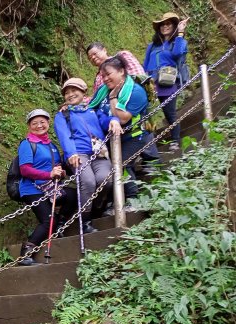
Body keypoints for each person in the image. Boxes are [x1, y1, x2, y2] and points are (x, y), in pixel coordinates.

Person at [89, 56, 157, 211]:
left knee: (121, 165)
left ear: (121, 71)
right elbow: (92, 108)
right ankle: (118, 201)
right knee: (116, 166)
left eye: (108, 74)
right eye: (103, 76)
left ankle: (132, 200)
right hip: (110, 137)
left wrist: (113, 97)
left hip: (133, 136)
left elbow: (122, 118)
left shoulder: (136, 91)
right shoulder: (102, 90)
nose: (105, 79)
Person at [54, 78, 121, 231]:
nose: (70, 95)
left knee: (105, 179)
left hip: (99, 153)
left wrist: (115, 120)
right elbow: (64, 136)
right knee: (88, 181)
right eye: (67, 93)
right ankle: (85, 222)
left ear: (83, 92)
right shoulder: (62, 115)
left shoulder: (93, 110)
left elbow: (106, 120)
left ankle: (94, 208)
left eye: (74, 91)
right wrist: (71, 153)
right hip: (78, 154)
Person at [17, 109, 77, 266]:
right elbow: (25, 169)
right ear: (29, 126)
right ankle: (26, 253)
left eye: (42, 122)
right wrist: (49, 175)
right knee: (48, 220)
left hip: (50, 186)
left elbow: (56, 166)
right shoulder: (27, 144)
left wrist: (61, 172)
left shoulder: (52, 146)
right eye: (34, 123)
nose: (39, 126)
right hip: (32, 189)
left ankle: (61, 225)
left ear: (48, 123)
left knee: (73, 195)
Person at [143, 12, 189, 152]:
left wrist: (180, 33)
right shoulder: (153, 46)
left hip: (167, 81)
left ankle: (175, 141)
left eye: (168, 24)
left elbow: (177, 54)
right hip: (151, 82)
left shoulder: (178, 42)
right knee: (147, 114)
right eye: (162, 24)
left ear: (174, 26)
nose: (164, 27)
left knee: (169, 113)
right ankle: (148, 147)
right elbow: (145, 65)